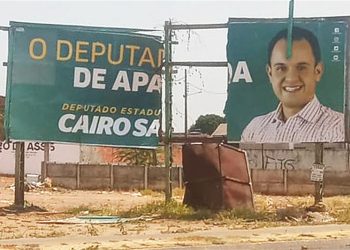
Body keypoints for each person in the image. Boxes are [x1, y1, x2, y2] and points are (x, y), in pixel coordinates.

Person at [241, 26, 344, 143]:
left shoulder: (342, 128)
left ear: (318, 71)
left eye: (301, 68)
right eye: (281, 68)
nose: (291, 78)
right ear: (270, 73)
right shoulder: (254, 131)